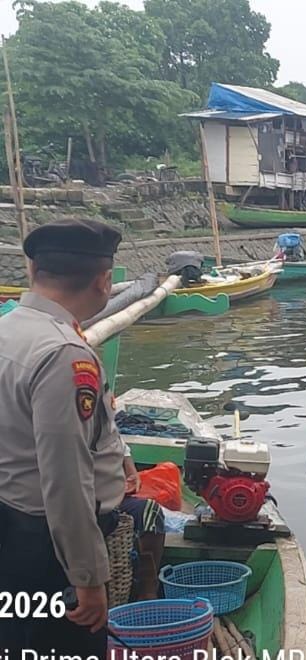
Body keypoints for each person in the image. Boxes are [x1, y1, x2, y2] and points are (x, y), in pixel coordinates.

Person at [0, 218, 127, 657]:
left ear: (33, 272)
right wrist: (88, 578)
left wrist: (120, 453)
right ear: (104, 282)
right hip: (47, 548)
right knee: (63, 647)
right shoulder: (62, 354)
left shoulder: (10, 330)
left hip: (12, 525)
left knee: (19, 639)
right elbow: (66, 481)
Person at [117, 446, 166, 601]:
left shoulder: (106, 426)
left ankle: (148, 590)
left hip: (113, 497)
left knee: (150, 511)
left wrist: (132, 477)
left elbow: (122, 450)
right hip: (82, 500)